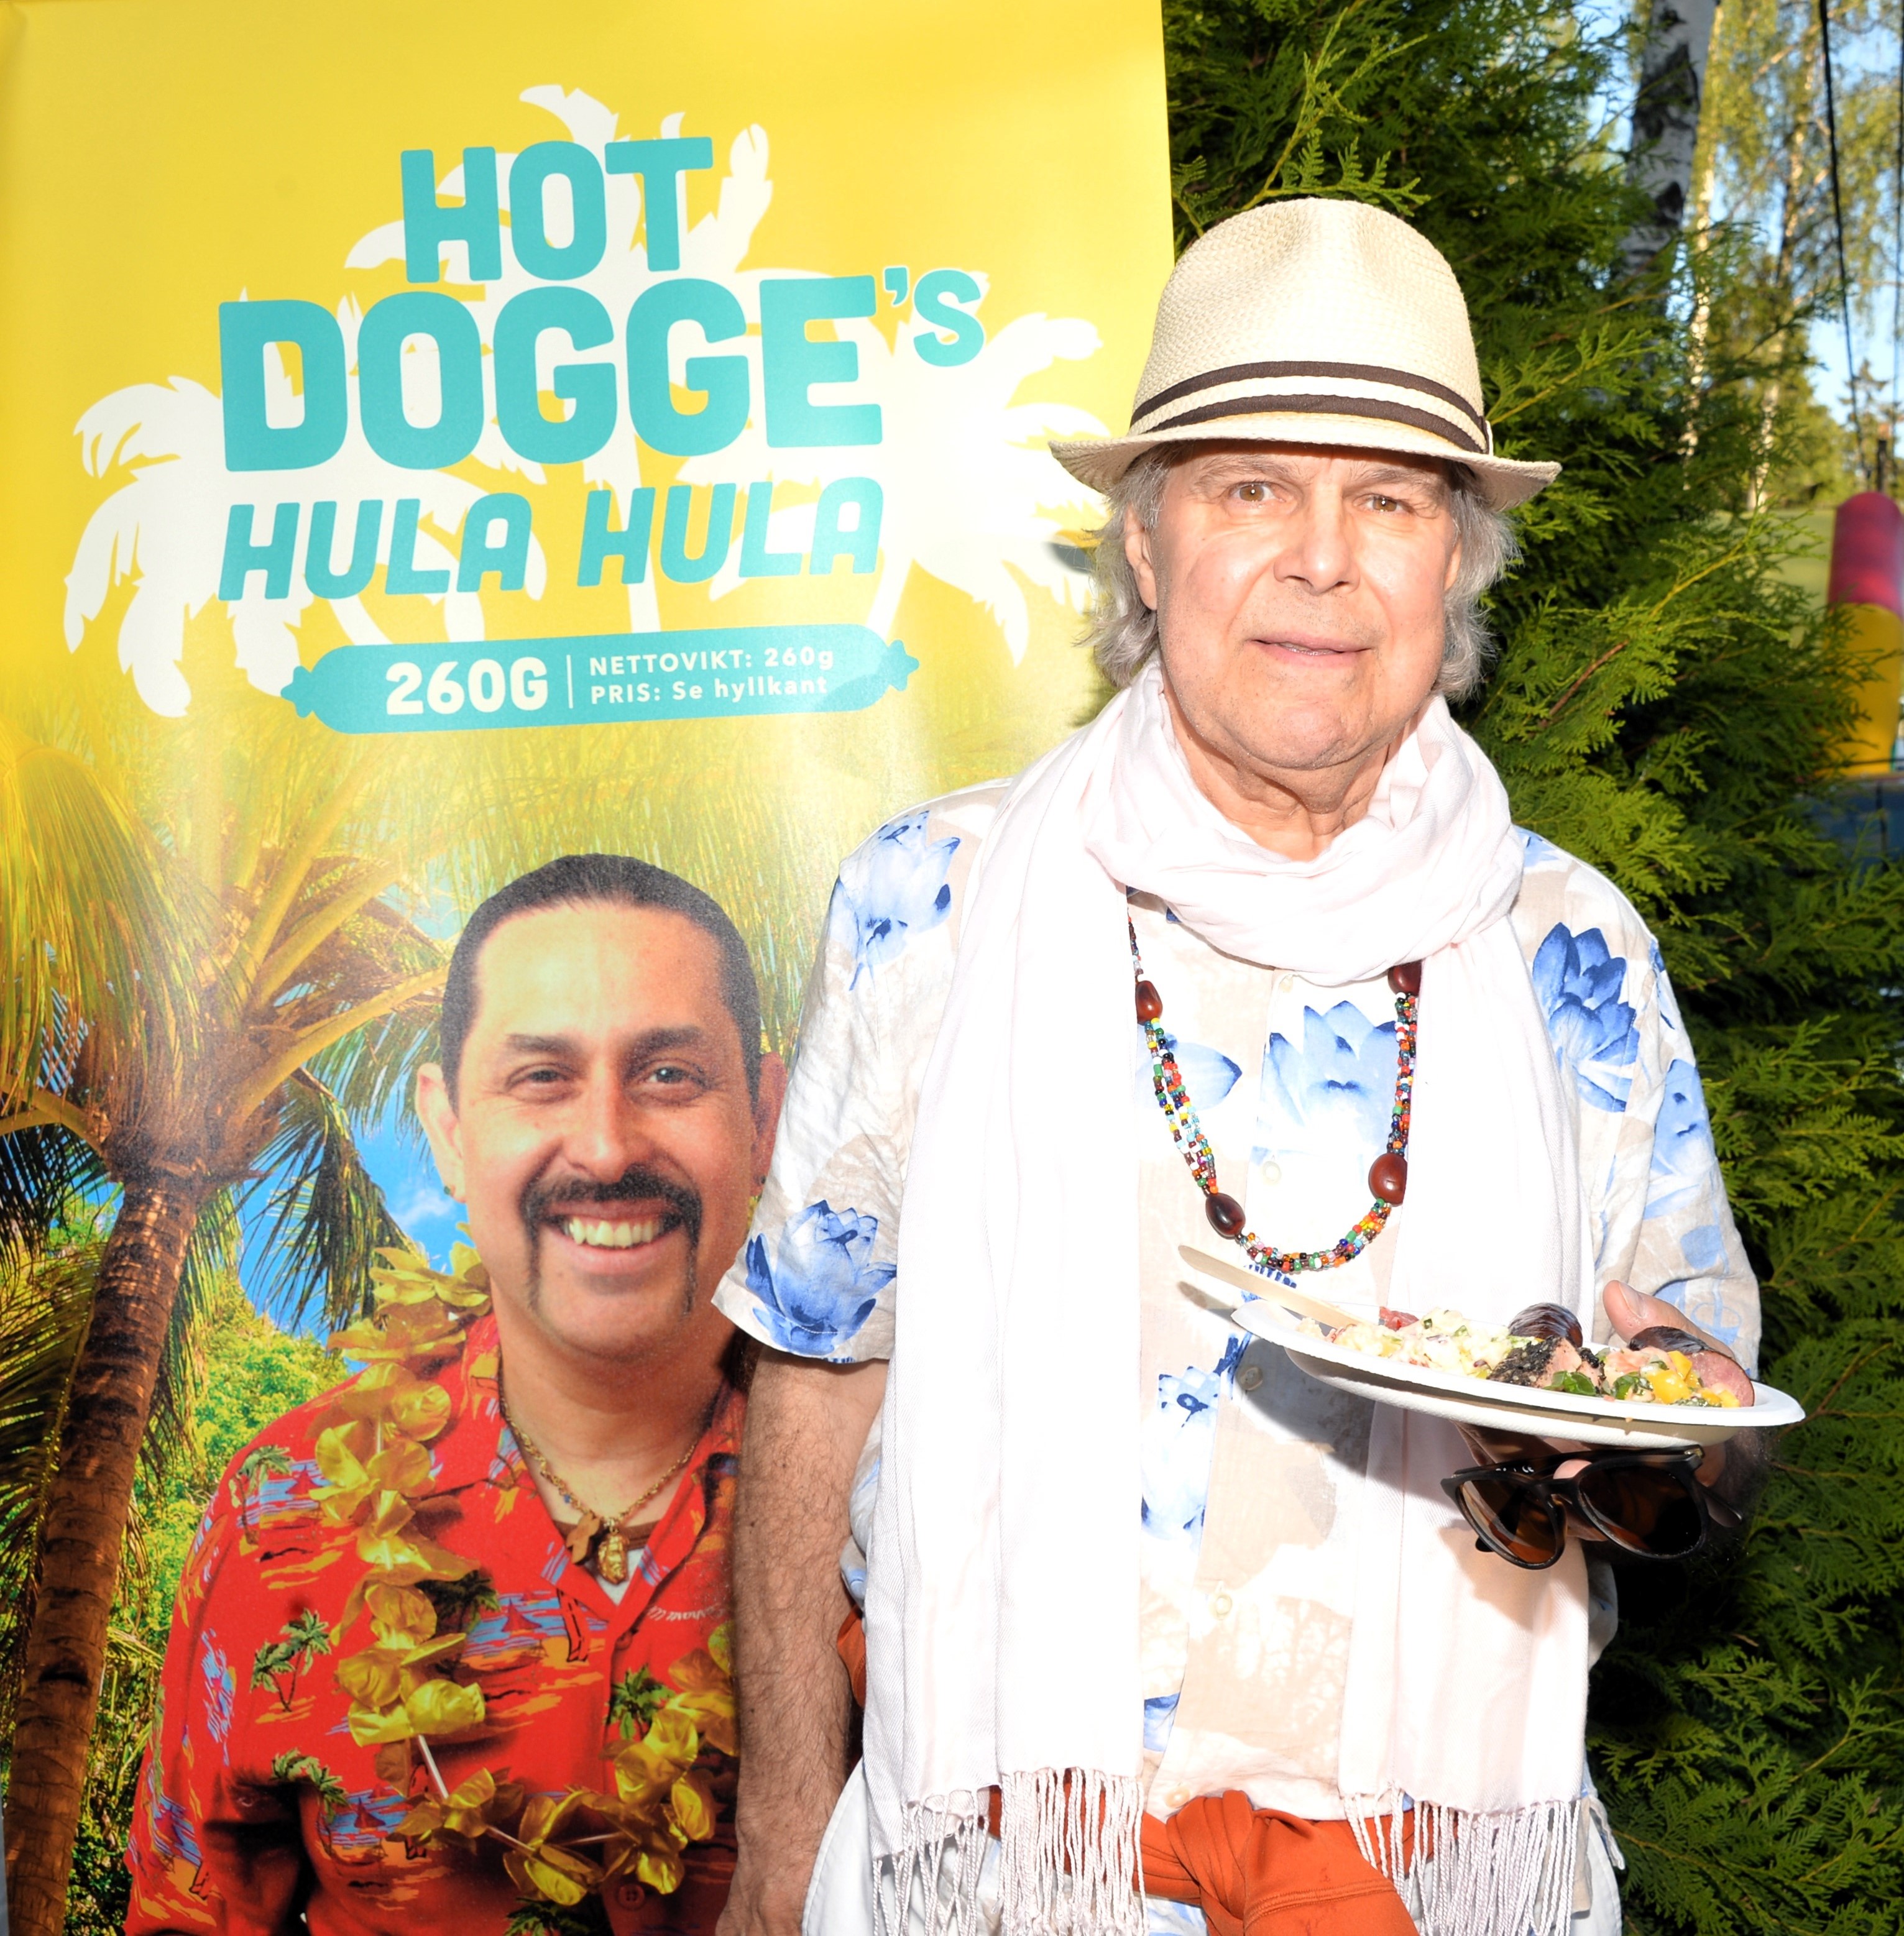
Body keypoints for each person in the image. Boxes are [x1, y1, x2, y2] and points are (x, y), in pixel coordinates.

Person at [711, 199, 1765, 1936]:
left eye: (1390, 501)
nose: (1321, 560)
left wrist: (1666, 1435)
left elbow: (1693, 1428)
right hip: (992, 1883)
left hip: (1433, 1890)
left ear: (1456, 566)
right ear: (1144, 545)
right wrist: (774, 1833)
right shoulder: (936, 900)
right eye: (1252, 488)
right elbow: (817, 1375)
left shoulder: (1572, 951)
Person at [126, 854, 786, 1935]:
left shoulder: (897, 1492)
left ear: (764, 1115)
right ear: (445, 1127)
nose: (607, 1146)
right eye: (542, 1078)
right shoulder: (283, 1514)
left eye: (669, 1074)